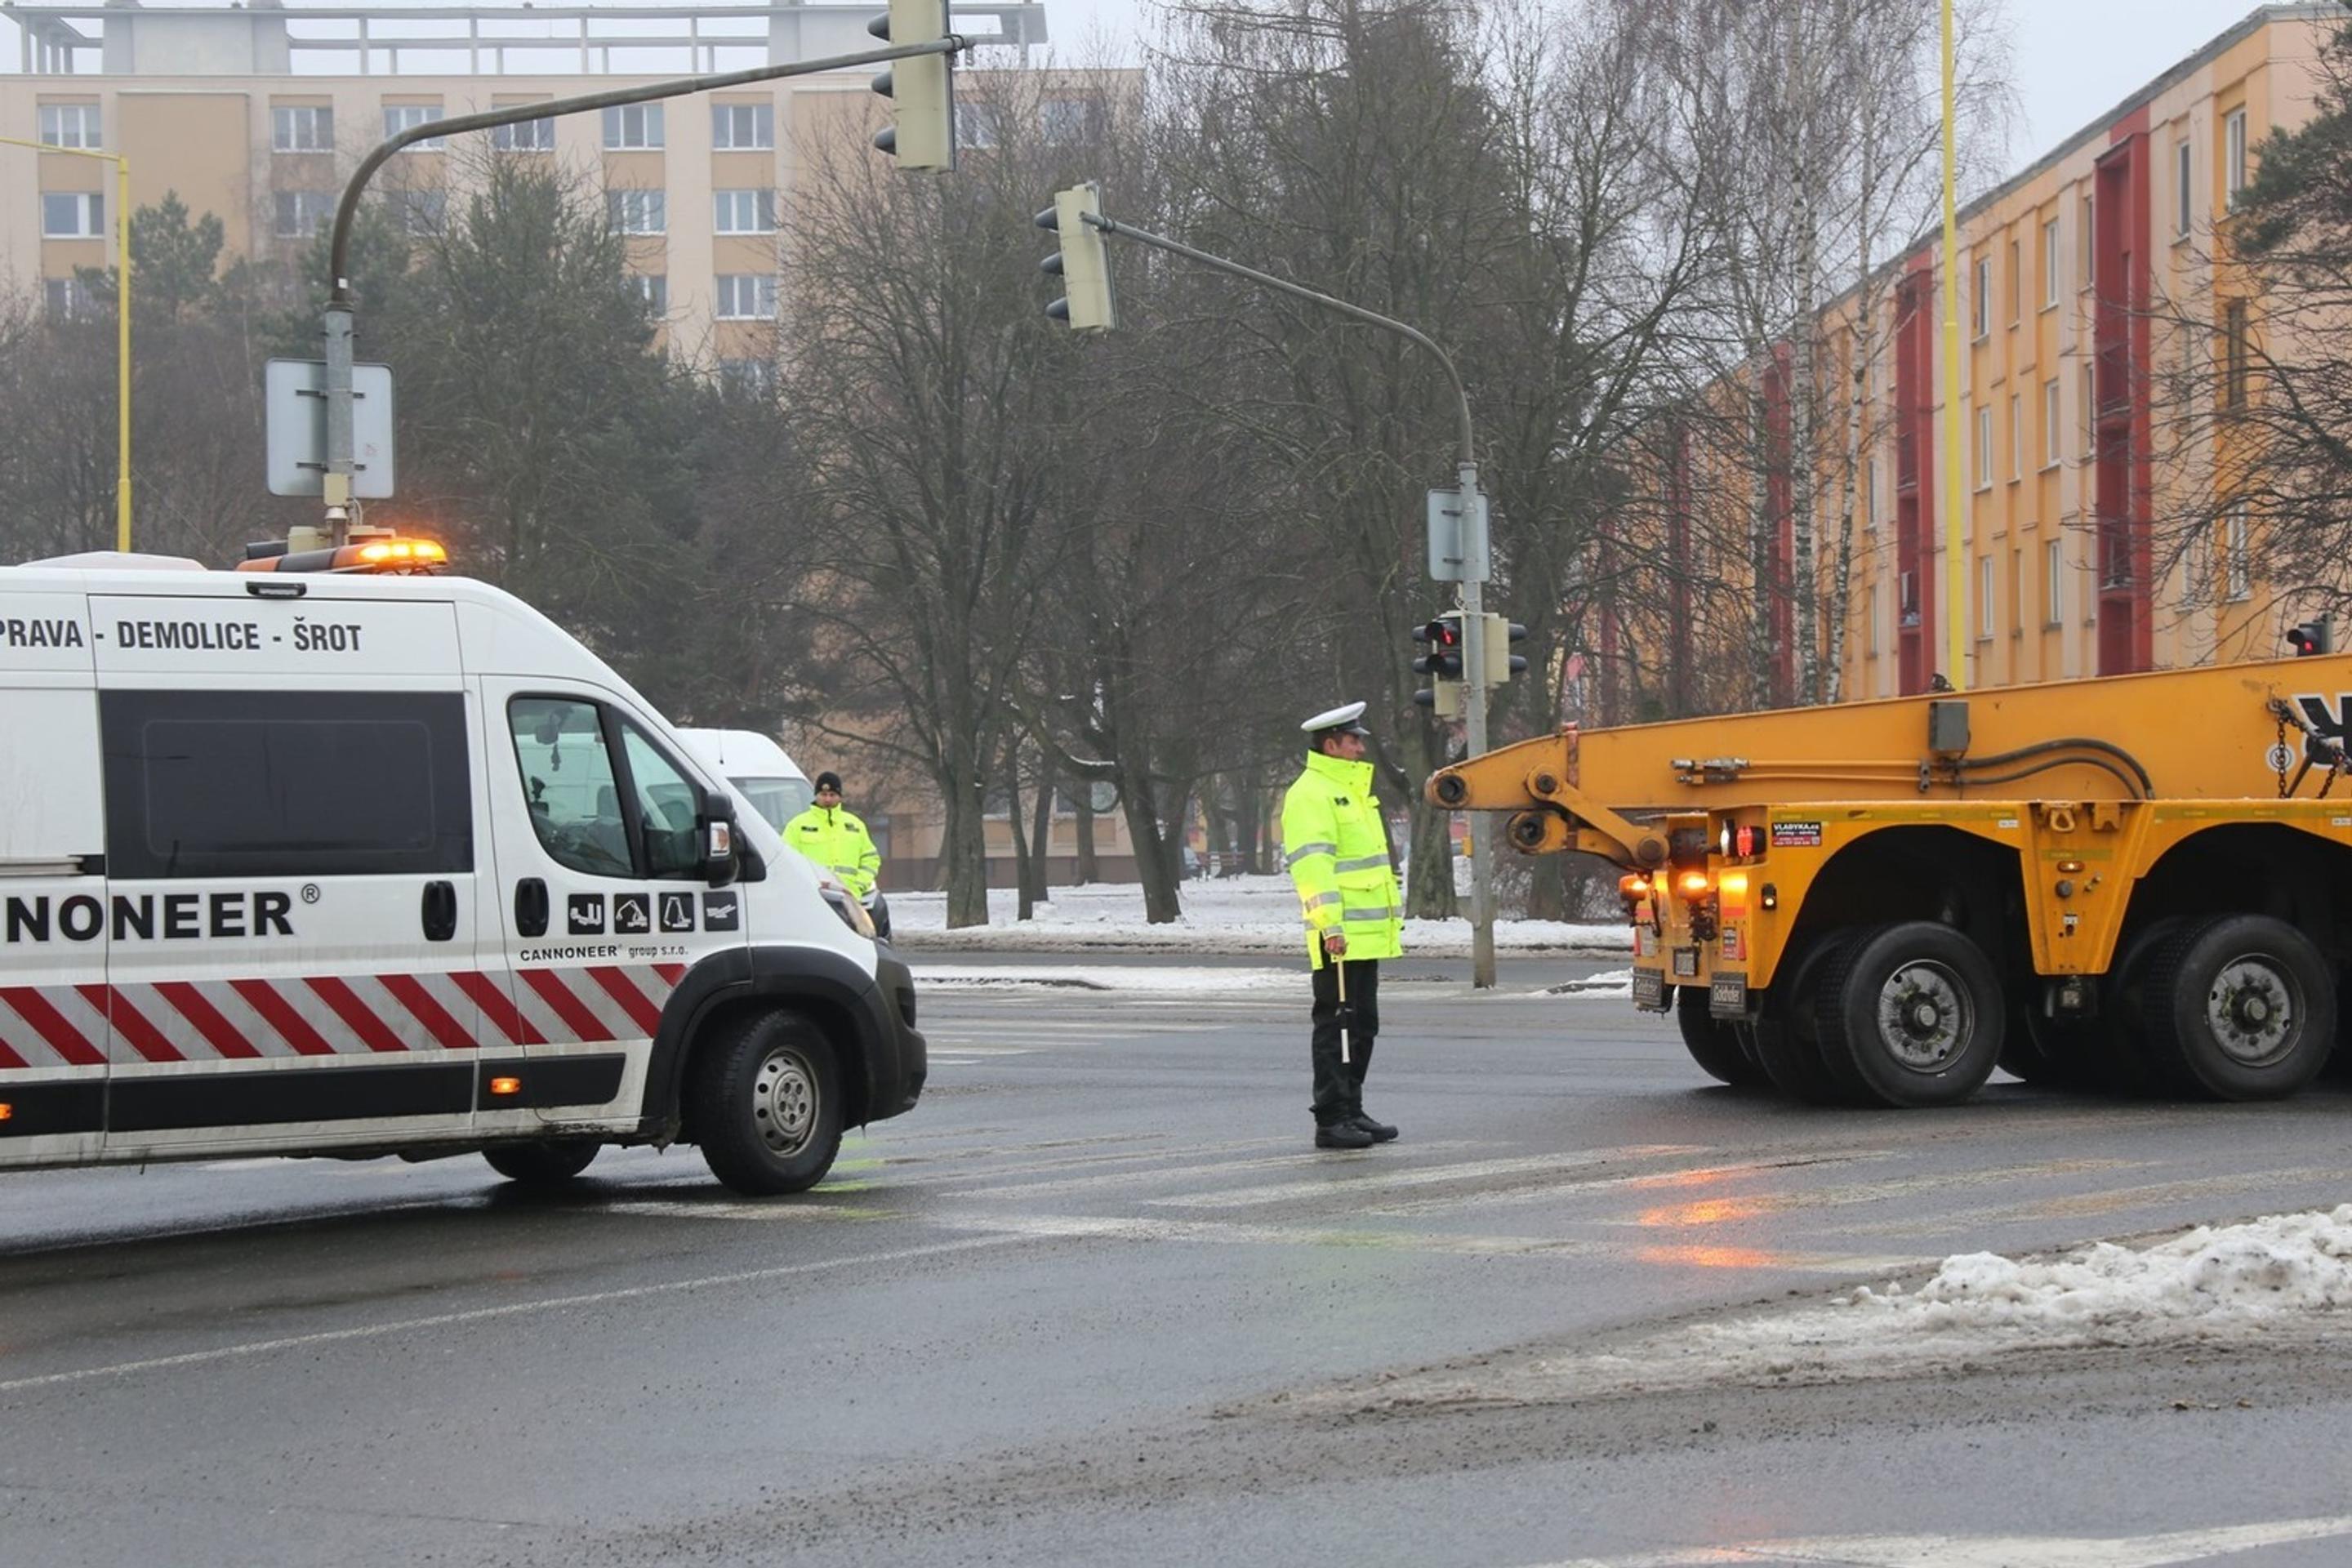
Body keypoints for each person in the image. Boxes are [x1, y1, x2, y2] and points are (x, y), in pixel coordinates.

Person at [1281, 702, 1404, 1150]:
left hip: (1364, 933)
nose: (1360, 747)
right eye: (1353, 740)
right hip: (1338, 934)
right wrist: (1329, 924)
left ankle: (1352, 1108)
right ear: (1330, 745)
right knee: (1338, 1026)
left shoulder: (1351, 791)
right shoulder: (1311, 793)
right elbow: (1313, 868)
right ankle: (1331, 1118)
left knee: (1362, 1024)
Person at [782, 771, 883, 902]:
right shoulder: (797, 825)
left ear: (840, 796)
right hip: (812, 899)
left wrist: (858, 885)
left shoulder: (855, 825)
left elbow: (871, 859)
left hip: (850, 899)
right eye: (823, 794)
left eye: (832, 794)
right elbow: (786, 861)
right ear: (816, 795)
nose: (828, 799)